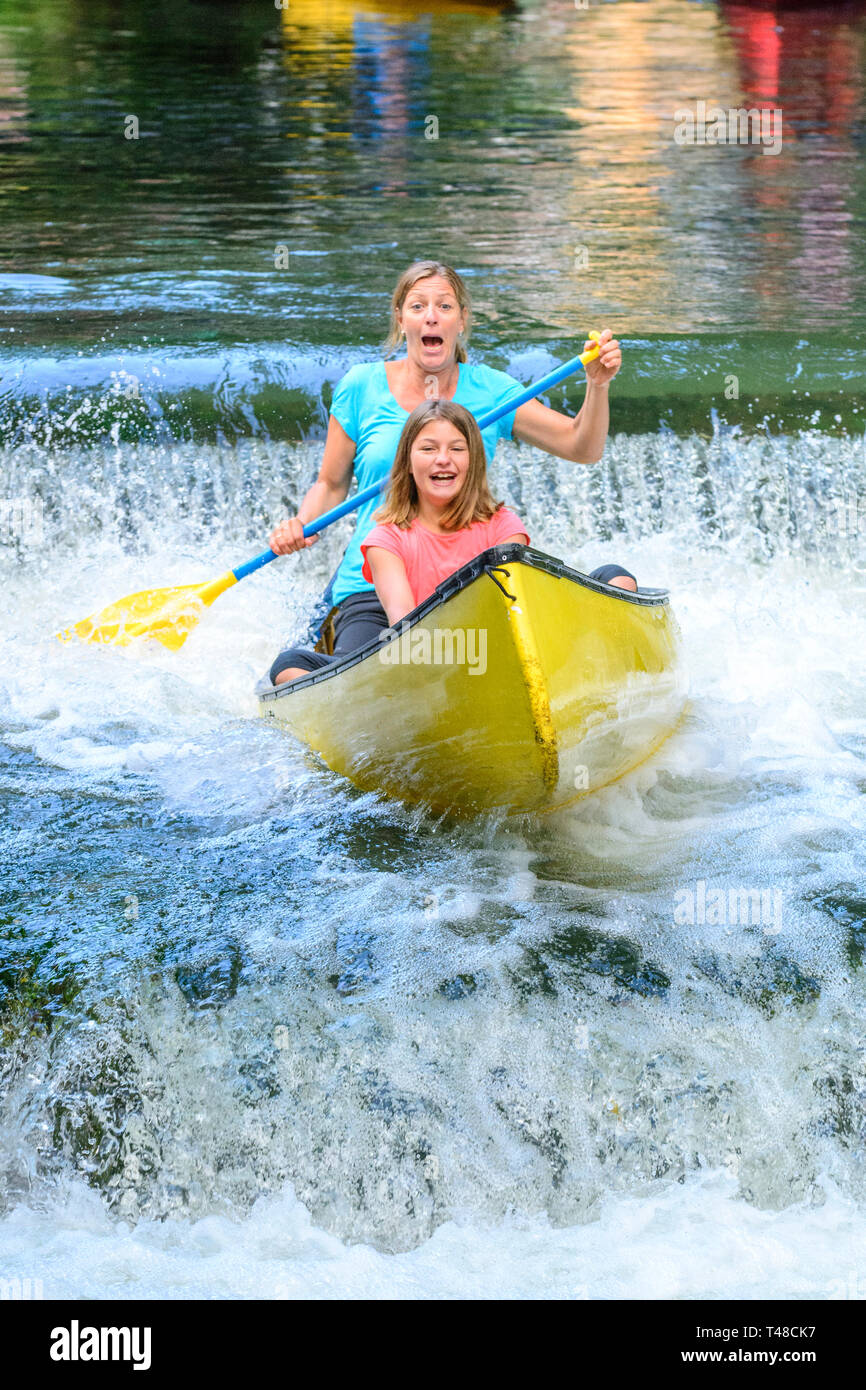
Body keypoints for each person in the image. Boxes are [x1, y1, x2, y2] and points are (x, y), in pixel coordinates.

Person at [267, 259, 626, 685]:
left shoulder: (493, 391)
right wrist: (302, 525)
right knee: (344, 671)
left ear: (461, 322)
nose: (431, 315)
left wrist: (597, 385)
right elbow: (330, 484)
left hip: (467, 579)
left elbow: (580, 447)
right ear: (401, 319)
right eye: (418, 306)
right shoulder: (361, 385)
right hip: (377, 580)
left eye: (444, 306)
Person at [360, 400, 634, 630]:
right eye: (428, 449)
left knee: (617, 578)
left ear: (473, 461)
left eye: (456, 448)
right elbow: (405, 624)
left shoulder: (503, 525)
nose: (443, 458)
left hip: (501, 636)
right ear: (408, 462)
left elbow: (514, 608)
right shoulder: (385, 541)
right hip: (434, 649)